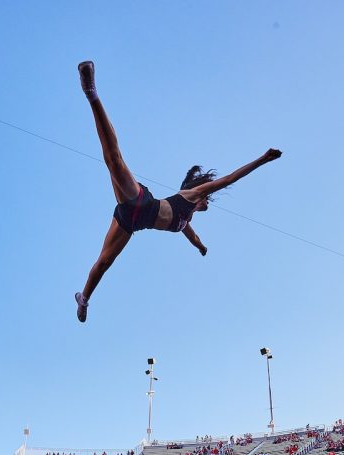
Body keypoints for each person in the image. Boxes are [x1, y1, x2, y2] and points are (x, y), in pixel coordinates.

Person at [72, 60, 281, 322]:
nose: (207, 204)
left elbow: (193, 239)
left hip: (129, 223)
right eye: (207, 201)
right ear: (201, 195)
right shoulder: (190, 197)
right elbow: (228, 179)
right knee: (114, 161)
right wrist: (262, 159)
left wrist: (202, 248)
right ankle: (91, 91)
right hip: (141, 203)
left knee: (103, 263)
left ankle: (84, 299)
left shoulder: (186, 223)